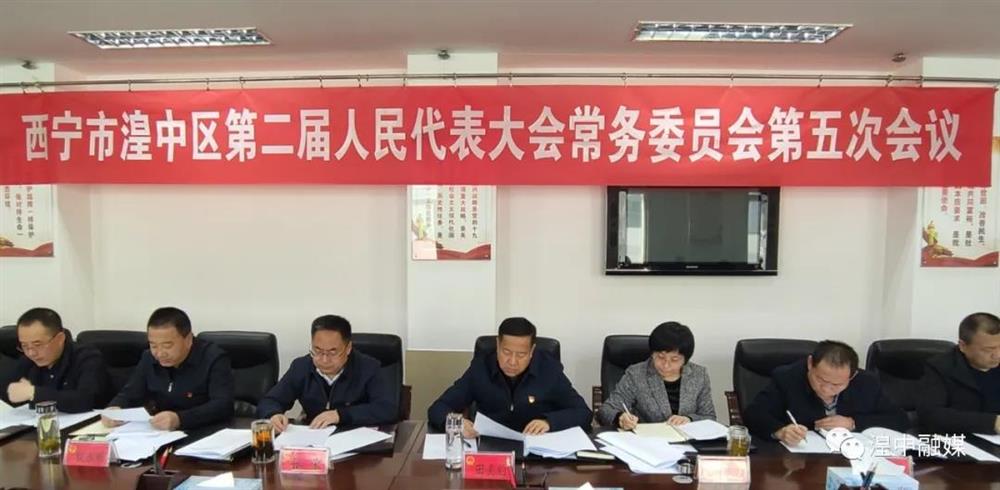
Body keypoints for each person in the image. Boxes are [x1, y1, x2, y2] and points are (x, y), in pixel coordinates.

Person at [428, 317, 591, 437]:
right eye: (506, 352)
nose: (512, 362)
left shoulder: (549, 370)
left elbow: (583, 413)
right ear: (498, 345)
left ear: (532, 351)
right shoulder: (480, 368)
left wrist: (549, 422)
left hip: (535, 452)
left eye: (521, 355)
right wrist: (457, 423)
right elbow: (438, 408)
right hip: (490, 448)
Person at [744, 340, 907, 445]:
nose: (826, 388)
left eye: (837, 384)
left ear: (852, 376)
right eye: (820, 380)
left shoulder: (867, 383)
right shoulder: (787, 377)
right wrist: (780, 431)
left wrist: (853, 423)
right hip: (800, 461)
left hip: (849, 459)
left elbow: (899, 419)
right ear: (810, 364)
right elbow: (754, 414)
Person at [256, 315, 398, 432]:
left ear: (348, 348)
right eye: (317, 351)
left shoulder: (369, 368)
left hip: (356, 441)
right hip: (315, 439)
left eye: (332, 352)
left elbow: (387, 409)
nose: (324, 360)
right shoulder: (301, 366)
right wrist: (273, 415)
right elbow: (270, 401)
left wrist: (340, 415)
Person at [103, 307, 234, 430]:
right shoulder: (148, 357)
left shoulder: (213, 358)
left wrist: (180, 419)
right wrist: (115, 408)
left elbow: (222, 406)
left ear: (188, 339)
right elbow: (130, 393)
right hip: (159, 433)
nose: (160, 353)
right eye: (153, 345)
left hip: (203, 431)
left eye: (167, 346)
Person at [596, 321, 716, 429]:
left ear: (685, 359)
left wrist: (689, 419)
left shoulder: (699, 375)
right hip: (647, 441)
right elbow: (606, 410)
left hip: (689, 442)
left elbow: (709, 417)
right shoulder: (636, 374)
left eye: (674, 359)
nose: (666, 365)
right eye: (660, 357)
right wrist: (620, 418)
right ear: (652, 353)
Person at [0, 307, 110, 412]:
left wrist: (34, 392)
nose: (31, 353)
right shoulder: (28, 360)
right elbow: (8, 390)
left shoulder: (87, 357)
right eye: (24, 345)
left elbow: (86, 400)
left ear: (60, 339)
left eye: (38, 344)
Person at [919, 312, 1000, 434]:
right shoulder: (940, 367)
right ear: (963, 346)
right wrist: (992, 422)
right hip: (959, 438)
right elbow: (931, 414)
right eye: (989, 349)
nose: (997, 355)